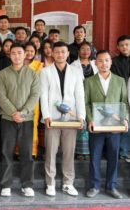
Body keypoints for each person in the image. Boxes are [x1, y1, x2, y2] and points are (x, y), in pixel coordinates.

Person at [40, 41, 85, 197]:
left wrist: (81, 116)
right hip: (52, 118)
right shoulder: (45, 71)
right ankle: (50, 183)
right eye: (57, 52)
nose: (60, 54)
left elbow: (80, 95)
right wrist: (45, 115)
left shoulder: (76, 71)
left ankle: (68, 183)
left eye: (63, 52)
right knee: (51, 151)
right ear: (52, 53)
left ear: (68, 53)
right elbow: (43, 95)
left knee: (68, 152)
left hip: (71, 117)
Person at [0, 42, 40, 197]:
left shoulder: (33, 74)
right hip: (7, 118)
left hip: (27, 119)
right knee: (6, 151)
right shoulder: (2, 74)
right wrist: (13, 112)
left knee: (26, 153)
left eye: (19, 53)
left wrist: (23, 112)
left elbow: (35, 95)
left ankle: (27, 184)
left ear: (25, 54)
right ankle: (6, 184)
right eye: (13, 53)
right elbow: (1, 97)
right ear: (10, 55)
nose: (16, 56)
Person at [85, 50, 128, 199]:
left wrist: (125, 119)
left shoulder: (120, 80)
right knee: (95, 156)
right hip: (96, 126)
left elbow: (125, 103)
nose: (104, 64)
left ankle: (112, 186)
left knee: (113, 157)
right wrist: (90, 119)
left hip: (115, 126)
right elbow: (86, 103)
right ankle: (94, 185)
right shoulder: (89, 81)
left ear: (111, 62)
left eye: (107, 60)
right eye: (100, 61)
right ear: (95, 63)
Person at [71, 42, 98, 160]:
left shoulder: (96, 64)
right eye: (83, 49)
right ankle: (80, 151)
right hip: (79, 95)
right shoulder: (73, 65)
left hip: (93, 96)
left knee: (93, 121)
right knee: (81, 122)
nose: (85, 51)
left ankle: (92, 150)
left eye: (88, 49)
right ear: (78, 51)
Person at [110, 35, 130, 162]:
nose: (124, 47)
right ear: (117, 47)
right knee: (124, 123)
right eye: (122, 45)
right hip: (120, 96)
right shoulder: (114, 61)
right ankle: (123, 152)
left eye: (127, 44)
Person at [23, 42, 44, 158]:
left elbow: (39, 84)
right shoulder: (18, 63)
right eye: (27, 50)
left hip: (33, 100)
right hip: (19, 99)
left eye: (32, 51)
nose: (29, 53)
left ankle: (32, 151)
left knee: (32, 124)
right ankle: (18, 151)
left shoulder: (39, 65)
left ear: (35, 53)